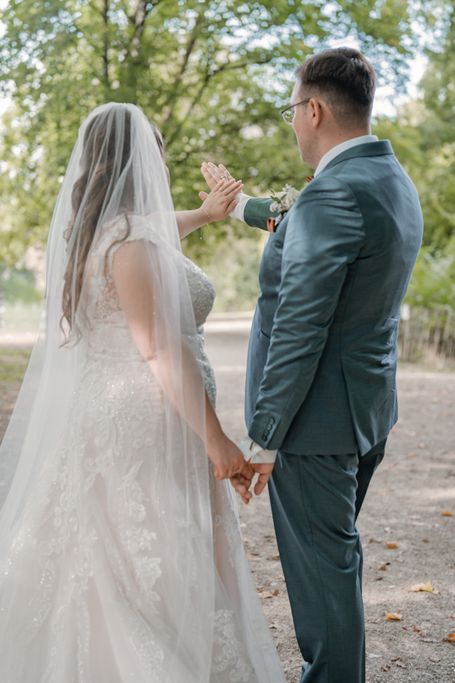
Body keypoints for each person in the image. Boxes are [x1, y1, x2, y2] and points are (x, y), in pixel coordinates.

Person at [0, 102, 285, 683]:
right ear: (136, 163)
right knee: (148, 559)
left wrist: (206, 214)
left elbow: (156, 228)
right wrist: (218, 441)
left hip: (120, 410)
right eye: (156, 154)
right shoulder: (130, 242)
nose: (161, 166)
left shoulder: (103, 231)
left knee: (119, 553)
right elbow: (158, 350)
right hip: (144, 418)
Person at [201, 47, 423, 683]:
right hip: (363, 412)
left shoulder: (335, 193)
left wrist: (265, 436)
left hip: (313, 425)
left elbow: (301, 325)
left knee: (325, 583)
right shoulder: (387, 178)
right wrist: (238, 206)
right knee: (335, 565)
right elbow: (306, 222)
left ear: (315, 110)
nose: (293, 123)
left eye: (292, 110)